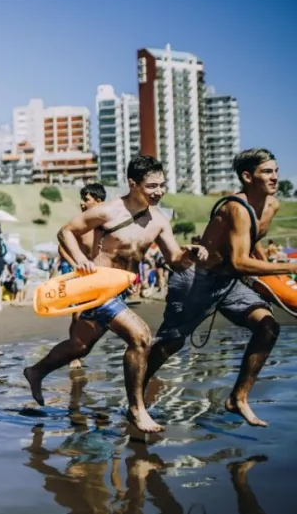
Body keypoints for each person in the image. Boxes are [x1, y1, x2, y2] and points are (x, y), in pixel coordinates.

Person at [23, 155, 206, 433]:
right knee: (141, 337)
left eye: (162, 185)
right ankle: (136, 409)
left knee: (80, 346)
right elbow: (66, 232)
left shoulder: (159, 220)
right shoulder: (108, 211)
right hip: (96, 287)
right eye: (151, 186)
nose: (158, 191)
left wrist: (190, 254)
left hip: (119, 291)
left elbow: (175, 260)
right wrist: (79, 261)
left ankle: (36, 371)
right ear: (133, 184)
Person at [145, 148, 297, 427]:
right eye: (267, 171)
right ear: (247, 177)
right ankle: (136, 393)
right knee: (171, 343)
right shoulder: (235, 208)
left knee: (268, 327)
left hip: (229, 283)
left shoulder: (272, 205)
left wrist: (272, 281)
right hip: (197, 279)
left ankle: (238, 398)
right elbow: (240, 261)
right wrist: (288, 267)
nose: (275, 176)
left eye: (276, 170)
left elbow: (251, 242)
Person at [60, 182, 107, 369]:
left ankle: (81, 349)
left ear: (99, 201)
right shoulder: (80, 224)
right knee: (77, 316)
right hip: (80, 276)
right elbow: (62, 246)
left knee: (101, 319)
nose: (82, 203)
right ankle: (74, 356)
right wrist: (76, 266)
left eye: (86, 199)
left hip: (100, 277)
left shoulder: (107, 224)